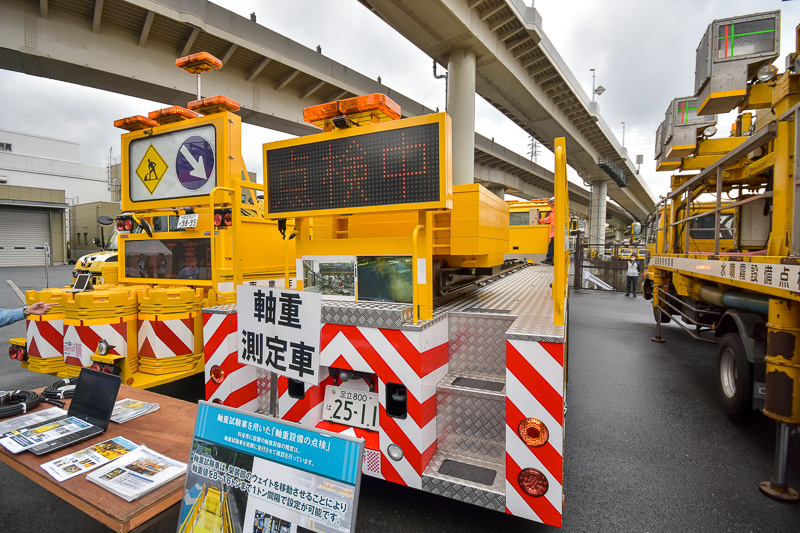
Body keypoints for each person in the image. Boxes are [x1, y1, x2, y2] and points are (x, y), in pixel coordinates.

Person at [539, 197, 556, 265]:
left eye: (551, 202)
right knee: (552, 246)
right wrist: (539, 220)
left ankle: (549, 259)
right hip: (556, 233)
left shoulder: (557, 211)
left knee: (551, 246)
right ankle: (551, 260)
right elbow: (548, 219)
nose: (550, 204)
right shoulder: (554, 212)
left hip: (556, 234)